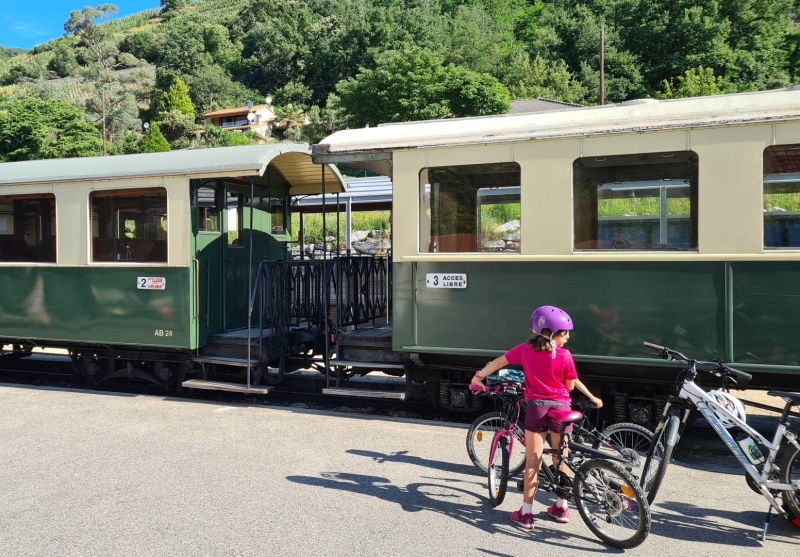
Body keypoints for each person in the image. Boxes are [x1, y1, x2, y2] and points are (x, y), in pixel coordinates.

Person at [471, 305, 602, 530]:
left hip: (537, 408)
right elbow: (569, 386)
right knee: (562, 457)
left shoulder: (524, 350)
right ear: (550, 333)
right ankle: (561, 507)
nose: (568, 338)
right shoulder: (565, 356)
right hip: (562, 409)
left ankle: (526, 514)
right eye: (564, 333)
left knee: (533, 462)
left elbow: (498, 363)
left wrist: (478, 377)